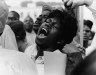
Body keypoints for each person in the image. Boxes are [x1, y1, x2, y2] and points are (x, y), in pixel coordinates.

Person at [35, 9, 83, 75]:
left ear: (60, 40)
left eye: (54, 26)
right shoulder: (32, 56)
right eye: (47, 21)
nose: (48, 24)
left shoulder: (61, 64)